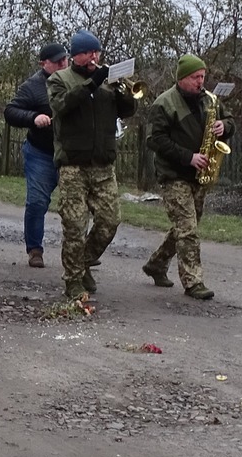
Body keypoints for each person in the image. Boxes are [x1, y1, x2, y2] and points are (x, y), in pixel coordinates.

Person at [48, 28, 140, 300]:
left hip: (103, 164)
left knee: (110, 221)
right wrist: (91, 83)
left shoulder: (107, 80)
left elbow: (128, 111)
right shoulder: (59, 79)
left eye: (97, 52)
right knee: (75, 225)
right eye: (89, 52)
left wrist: (123, 91)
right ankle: (73, 280)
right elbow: (62, 106)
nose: (94, 57)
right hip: (73, 165)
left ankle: (84, 262)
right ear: (76, 55)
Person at [140, 55, 224, 300]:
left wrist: (224, 126)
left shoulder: (210, 100)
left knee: (186, 226)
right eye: (195, 77)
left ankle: (156, 264)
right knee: (188, 229)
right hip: (173, 173)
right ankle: (193, 281)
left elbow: (228, 121)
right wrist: (188, 157)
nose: (200, 82)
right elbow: (154, 140)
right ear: (182, 78)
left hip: (198, 175)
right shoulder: (164, 103)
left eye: (202, 77)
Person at [3, 40, 66, 267]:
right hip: (40, 152)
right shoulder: (32, 86)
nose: (62, 64)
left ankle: (78, 253)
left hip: (70, 154)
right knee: (38, 202)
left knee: (76, 205)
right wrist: (33, 118)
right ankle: (35, 249)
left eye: (64, 59)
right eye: (57, 61)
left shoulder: (73, 81)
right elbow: (10, 111)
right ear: (43, 64)